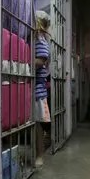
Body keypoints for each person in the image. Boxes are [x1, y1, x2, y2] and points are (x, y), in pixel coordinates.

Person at [34, 10, 51, 167]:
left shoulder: (41, 40)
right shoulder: (34, 38)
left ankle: (40, 154)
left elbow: (41, 61)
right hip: (30, 87)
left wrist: (23, 61)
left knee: (37, 124)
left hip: (37, 89)